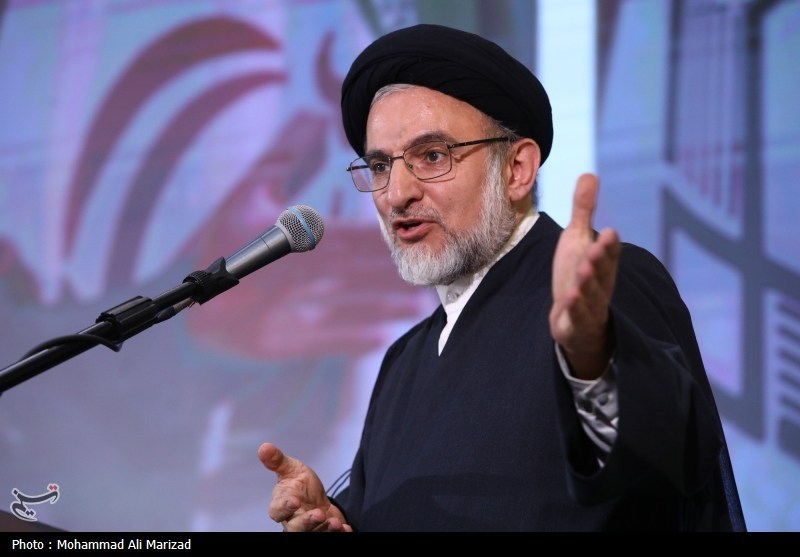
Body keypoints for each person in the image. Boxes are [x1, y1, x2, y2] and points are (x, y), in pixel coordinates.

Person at [257, 23, 746, 532]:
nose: (396, 193)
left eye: (432, 156)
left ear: (516, 169)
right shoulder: (404, 360)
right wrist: (335, 521)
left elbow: (671, 462)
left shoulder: (598, 288)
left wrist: (592, 356)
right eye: (380, 166)